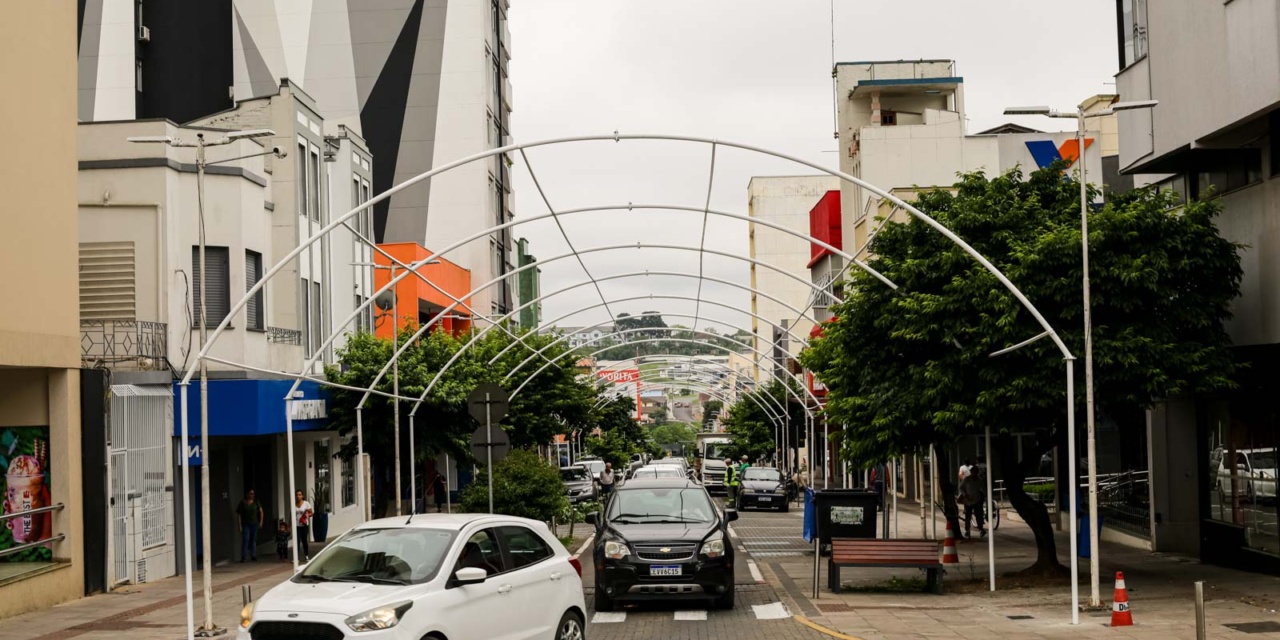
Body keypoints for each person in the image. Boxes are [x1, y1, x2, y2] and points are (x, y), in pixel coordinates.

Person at [236, 489, 263, 562]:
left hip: (254, 523)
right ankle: (244, 556)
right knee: (246, 539)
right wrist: (239, 525)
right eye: (251, 493)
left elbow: (261, 511)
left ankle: (253, 555)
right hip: (245, 524)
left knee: (253, 539)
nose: (252, 495)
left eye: (253, 494)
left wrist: (261, 521)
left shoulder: (256, 502)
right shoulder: (242, 503)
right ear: (247, 494)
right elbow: (239, 515)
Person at [294, 490, 314, 560]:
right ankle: (296, 557)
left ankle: (306, 555)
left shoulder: (306, 503)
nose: (298, 496)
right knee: (297, 541)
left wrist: (306, 516)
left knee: (304, 540)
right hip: (296, 525)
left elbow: (311, 513)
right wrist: (289, 525)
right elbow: (292, 515)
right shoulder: (294, 504)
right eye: (297, 495)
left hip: (304, 525)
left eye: (299, 495)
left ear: (302, 496)